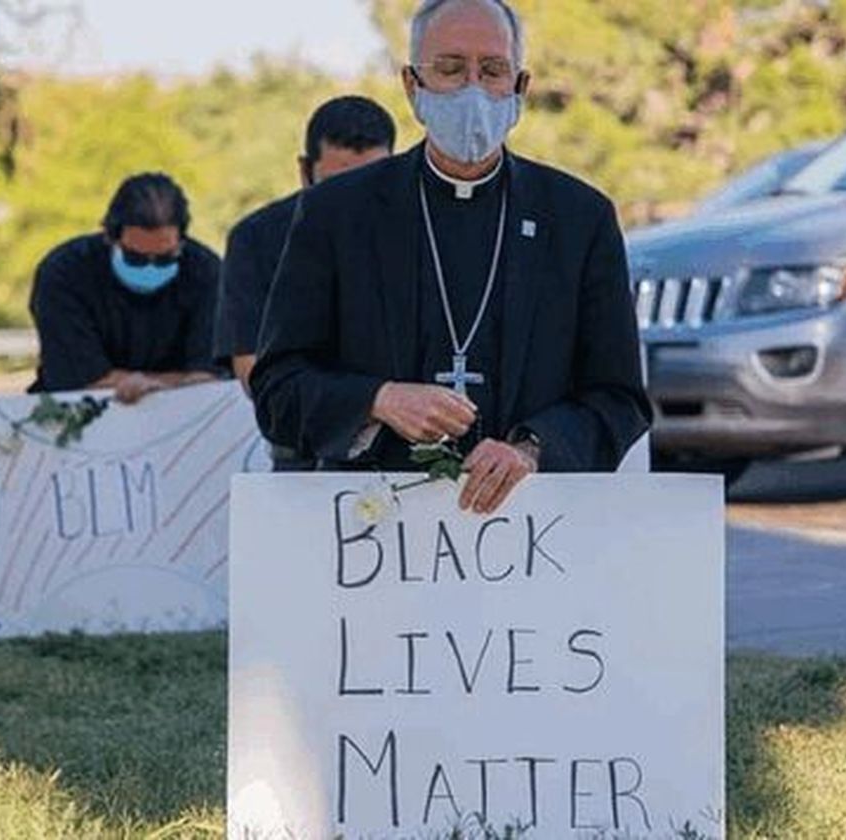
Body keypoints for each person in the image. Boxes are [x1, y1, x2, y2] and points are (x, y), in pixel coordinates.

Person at [252, 0, 649, 514]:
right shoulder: (337, 213)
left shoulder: (578, 218)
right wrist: (377, 400)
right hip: (372, 534)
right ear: (412, 85)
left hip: (533, 531)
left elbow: (619, 399)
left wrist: (532, 449)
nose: (473, 89)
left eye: (492, 70)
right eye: (450, 68)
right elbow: (278, 388)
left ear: (520, 88)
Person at [216, 96, 396, 471]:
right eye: (339, 185)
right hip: (305, 452)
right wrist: (365, 404)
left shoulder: (415, 231)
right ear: (305, 171)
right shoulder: (257, 239)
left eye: (371, 181)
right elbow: (254, 370)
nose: (354, 201)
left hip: (404, 453)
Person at [29, 173, 224, 403]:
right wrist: (174, 383)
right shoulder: (64, 272)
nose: (150, 267)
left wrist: (147, 385)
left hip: (184, 416)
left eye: (164, 259)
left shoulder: (207, 272)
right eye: (136, 258)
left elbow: (209, 377)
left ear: (181, 241)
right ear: (111, 238)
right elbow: (76, 378)